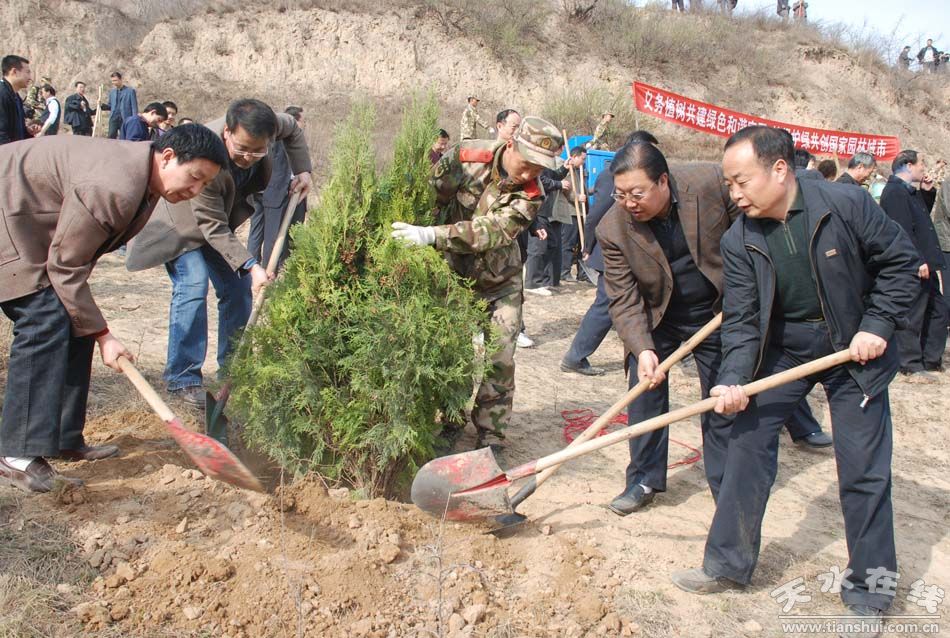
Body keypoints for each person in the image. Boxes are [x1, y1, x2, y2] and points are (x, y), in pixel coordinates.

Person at [672, 127, 919, 635]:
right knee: (746, 446)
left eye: (741, 181)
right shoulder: (740, 239)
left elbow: (900, 262)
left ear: (779, 169)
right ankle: (727, 564)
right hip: (785, 347)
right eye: (728, 184)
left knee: (864, 469)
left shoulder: (845, 204)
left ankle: (869, 591)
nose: (734, 194)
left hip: (854, 346)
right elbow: (742, 319)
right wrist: (733, 379)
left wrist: (877, 324)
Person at [597, 141, 828, 517]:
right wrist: (643, 349)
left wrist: (750, 289)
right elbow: (623, 298)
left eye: (637, 193)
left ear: (663, 181)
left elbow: (752, 225)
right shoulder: (613, 228)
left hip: (717, 311)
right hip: (659, 317)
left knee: (723, 399)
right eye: (620, 194)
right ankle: (643, 478)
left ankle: (724, 482)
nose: (628, 203)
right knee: (644, 393)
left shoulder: (709, 184)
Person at [0, 126, 228, 493]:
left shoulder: (145, 181)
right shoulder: (114, 185)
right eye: (194, 177)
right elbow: (65, 266)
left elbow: (75, 258)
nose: (195, 191)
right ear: (168, 157)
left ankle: (62, 437)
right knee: (45, 317)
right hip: (7, 213)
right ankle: (17, 455)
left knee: (73, 314)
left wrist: (92, 324)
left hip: (25, 221)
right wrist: (105, 335)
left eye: (205, 184)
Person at [126, 99, 313, 407]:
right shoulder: (206, 154)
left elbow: (292, 129)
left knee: (238, 289)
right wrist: (252, 265)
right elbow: (211, 226)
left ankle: (233, 373)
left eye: (258, 151)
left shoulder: (270, 125)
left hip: (218, 223)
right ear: (227, 131)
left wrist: (303, 170)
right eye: (242, 149)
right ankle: (183, 378)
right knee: (193, 283)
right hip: (179, 224)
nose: (249, 157)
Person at [390, 116, 562, 448]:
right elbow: (430, 197)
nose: (530, 173)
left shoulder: (532, 194)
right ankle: (451, 420)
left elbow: (493, 231)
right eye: (527, 163)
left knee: (500, 359)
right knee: (454, 354)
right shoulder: (467, 156)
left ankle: (491, 436)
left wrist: (432, 236)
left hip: (501, 283)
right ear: (511, 144)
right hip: (454, 277)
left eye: (540, 168)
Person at [561, 130, 660, 377]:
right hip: (612, 252)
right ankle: (575, 357)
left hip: (634, 252)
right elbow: (597, 215)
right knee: (605, 305)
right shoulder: (613, 176)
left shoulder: (648, 176)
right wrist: (587, 246)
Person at [879, 150, 947, 380]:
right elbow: (903, 230)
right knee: (913, 314)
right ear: (908, 165)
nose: (923, 168)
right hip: (913, 263)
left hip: (926, 261)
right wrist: (917, 260)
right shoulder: (894, 192)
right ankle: (909, 363)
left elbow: (920, 218)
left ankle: (931, 359)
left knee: (938, 311)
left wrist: (926, 192)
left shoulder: (909, 191)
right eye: (921, 164)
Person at [247, 105, 309, 270]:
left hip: (262, 189)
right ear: (294, 121)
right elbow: (276, 167)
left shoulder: (271, 135)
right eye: (304, 121)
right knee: (272, 236)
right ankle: (267, 272)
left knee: (257, 232)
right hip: (273, 192)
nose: (305, 125)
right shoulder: (283, 139)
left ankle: (252, 268)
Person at [524, 146, 585, 295]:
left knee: (551, 244)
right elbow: (542, 181)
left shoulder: (547, 163)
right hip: (537, 209)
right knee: (538, 248)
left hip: (546, 212)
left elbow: (554, 176)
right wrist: (559, 185)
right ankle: (532, 283)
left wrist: (564, 168)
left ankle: (543, 280)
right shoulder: (537, 162)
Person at [0, 55, 35, 144]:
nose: (30, 77)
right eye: (27, 72)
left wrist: (27, 132)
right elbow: (1, 134)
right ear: (14, 72)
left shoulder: (16, 96)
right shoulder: (2, 94)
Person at [103, 71, 138, 140]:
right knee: (110, 136)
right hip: (114, 118)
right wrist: (102, 105)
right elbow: (110, 106)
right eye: (112, 81)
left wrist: (134, 119)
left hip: (125, 118)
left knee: (124, 137)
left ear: (121, 79)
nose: (114, 82)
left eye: (115, 80)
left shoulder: (130, 91)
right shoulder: (112, 92)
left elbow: (134, 107)